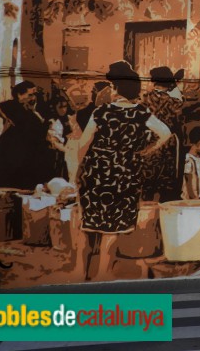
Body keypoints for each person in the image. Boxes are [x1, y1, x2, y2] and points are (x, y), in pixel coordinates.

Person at [75, 61, 170, 281]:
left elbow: (83, 145)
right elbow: (165, 133)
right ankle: (103, 276)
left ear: (115, 88)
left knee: (88, 226)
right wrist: (146, 151)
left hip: (96, 172)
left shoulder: (102, 112)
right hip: (125, 174)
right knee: (112, 230)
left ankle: (81, 275)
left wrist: (80, 170)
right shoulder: (142, 113)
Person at [0, 81, 51, 190]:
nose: (33, 98)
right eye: (30, 95)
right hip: (13, 151)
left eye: (34, 94)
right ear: (19, 94)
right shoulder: (12, 105)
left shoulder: (30, 108)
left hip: (28, 152)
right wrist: (6, 118)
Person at [141, 67, 186, 201]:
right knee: (168, 183)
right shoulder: (175, 103)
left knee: (148, 179)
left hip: (149, 140)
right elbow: (179, 122)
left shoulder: (144, 100)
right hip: (169, 142)